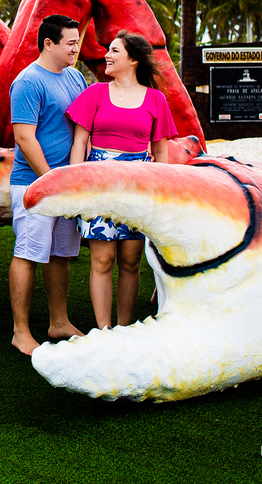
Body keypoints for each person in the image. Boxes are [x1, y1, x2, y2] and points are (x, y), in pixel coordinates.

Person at [66, 30, 178, 330]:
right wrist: (76, 187)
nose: (107, 55)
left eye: (114, 50)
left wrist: (161, 194)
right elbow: (79, 143)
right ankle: (104, 330)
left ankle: (124, 328)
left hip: (138, 186)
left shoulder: (155, 99)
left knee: (131, 261)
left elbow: (161, 150)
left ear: (133, 59)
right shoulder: (95, 93)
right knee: (102, 261)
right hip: (99, 183)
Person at [9, 14, 86, 355]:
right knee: (27, 254)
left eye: (76, 41)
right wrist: (52, 181)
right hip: (34, 186)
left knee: (60, 256)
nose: (75, 48)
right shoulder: (28, 82)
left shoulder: (75, 78)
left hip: (65, 185)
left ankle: (58, 322)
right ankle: (20, 332)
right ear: (49, 44)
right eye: (70, 42)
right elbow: (24, 137)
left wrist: (72, 180)